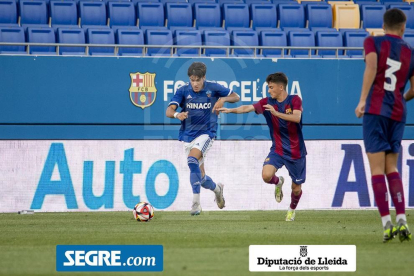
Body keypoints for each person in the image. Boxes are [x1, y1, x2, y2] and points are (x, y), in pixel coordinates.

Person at [355, 8, 414, 242]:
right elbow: (413, 90)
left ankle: (386, 224)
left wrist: (362, 100)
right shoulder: (410, 51)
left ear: (383, 24)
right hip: (398, 113)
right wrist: (399, 98)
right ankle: (402, 219)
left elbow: (371, 67)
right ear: (403, 26)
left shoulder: (373, 42)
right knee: (393, 168)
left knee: (377, 170)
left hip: (375, 112)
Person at [218, 72, 306, 221]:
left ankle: (291, 209)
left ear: (281, 87)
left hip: (296, 152)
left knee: (296, 189)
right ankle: (279, 182)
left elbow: (296, 117)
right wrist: (231, 110)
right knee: (266, 176)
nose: (269, 90)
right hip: (278, 149)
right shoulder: (267, 102)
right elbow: (247, 108)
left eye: (271, 87)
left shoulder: (294, 100)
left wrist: (277, 114)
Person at [166, 62, 240, 216]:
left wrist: (223, 99)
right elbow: (169, 110)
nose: (195, 83)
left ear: (203, 78)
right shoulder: (183, 90)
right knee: (201, 177)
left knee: (192, 160)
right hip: (188, 136)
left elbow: (236, 96)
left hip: (207, 133)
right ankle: (217, 189)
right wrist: (177, 114)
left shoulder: (213, 88)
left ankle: (196, 204)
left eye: (197, 80)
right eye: (192, 80)